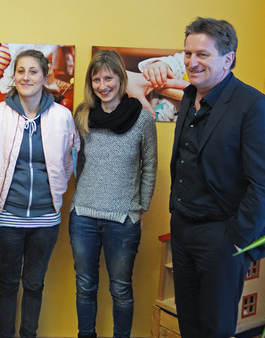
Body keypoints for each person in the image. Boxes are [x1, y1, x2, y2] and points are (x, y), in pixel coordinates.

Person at [168, 17, 265, 337]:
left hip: (222, 236)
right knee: (188, 323)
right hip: (183, 229)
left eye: (202, 54)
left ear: (228, 59)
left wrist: (235, 239)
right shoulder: (190, 97)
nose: (192, 62)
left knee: (215, 328)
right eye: (188, 53)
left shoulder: (255, 106)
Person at [0, 49, 79, 338]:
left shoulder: (62, 116)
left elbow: (69, 160)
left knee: (35, 284)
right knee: (8, 283)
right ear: (13, 76)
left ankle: (29, 334)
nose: (26, 77)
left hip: (46, 220)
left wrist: (56, 192)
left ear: (45, 76)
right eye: (20, 71)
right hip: (6, 218)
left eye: (33, 71)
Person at [70, 50, 158, 338]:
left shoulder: (142, 118)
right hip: (83, 216)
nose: (102, 85)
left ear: (121, 79)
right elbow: (78, 163)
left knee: (120, 288)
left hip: (122, 219)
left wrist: (140, 208)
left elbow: (150, 164)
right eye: (96, 79)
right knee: (85, 286)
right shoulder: (82, 115)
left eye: (108, 77)